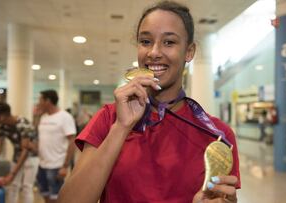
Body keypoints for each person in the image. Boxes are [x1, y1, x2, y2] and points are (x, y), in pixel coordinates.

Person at [58, 1, 240, 203]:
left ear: (189, 52)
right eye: (145, 41)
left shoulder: (217, 135)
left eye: (169, 42)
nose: (154, 52)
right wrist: (121, 127)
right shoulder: (110, 118)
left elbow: (223, 196)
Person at [0, 102, 38, 203]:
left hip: (30, 158)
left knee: (26, 187)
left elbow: (25, 150)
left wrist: (12, 173)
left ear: (2, 116)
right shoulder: (2, 126)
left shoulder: (22, 123)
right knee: (13, 186)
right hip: (17, 157)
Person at [36, 90, 77, 203]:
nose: (38, 103)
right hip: (42, 164)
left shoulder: (65, 117)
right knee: (45, 194)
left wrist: (65, 166)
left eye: (40, 100)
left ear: (48, 101)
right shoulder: (43, 117)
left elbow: (72, 142)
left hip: (57, 165)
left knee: (57, 197)